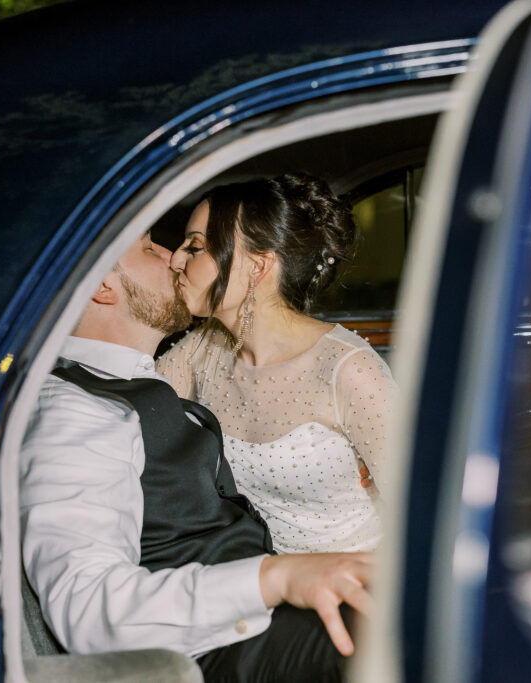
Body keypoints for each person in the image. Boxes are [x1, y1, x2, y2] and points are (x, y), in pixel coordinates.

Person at [20, 231, 372, 682]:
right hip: (209, 649)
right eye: (150, 248)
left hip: (251, 618)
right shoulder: (72, 409)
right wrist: (277, 578)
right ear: (100, 287)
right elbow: (89, 608)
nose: (172, 259)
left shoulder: (133, 381)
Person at [156, 173, 396, 554]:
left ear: (258, 266)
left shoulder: (349, 370)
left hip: (353, 581)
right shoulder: (203, 348)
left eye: (195, 247)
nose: (174, 259)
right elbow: (132, 407)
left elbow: (419, 513)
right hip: (252, 576)